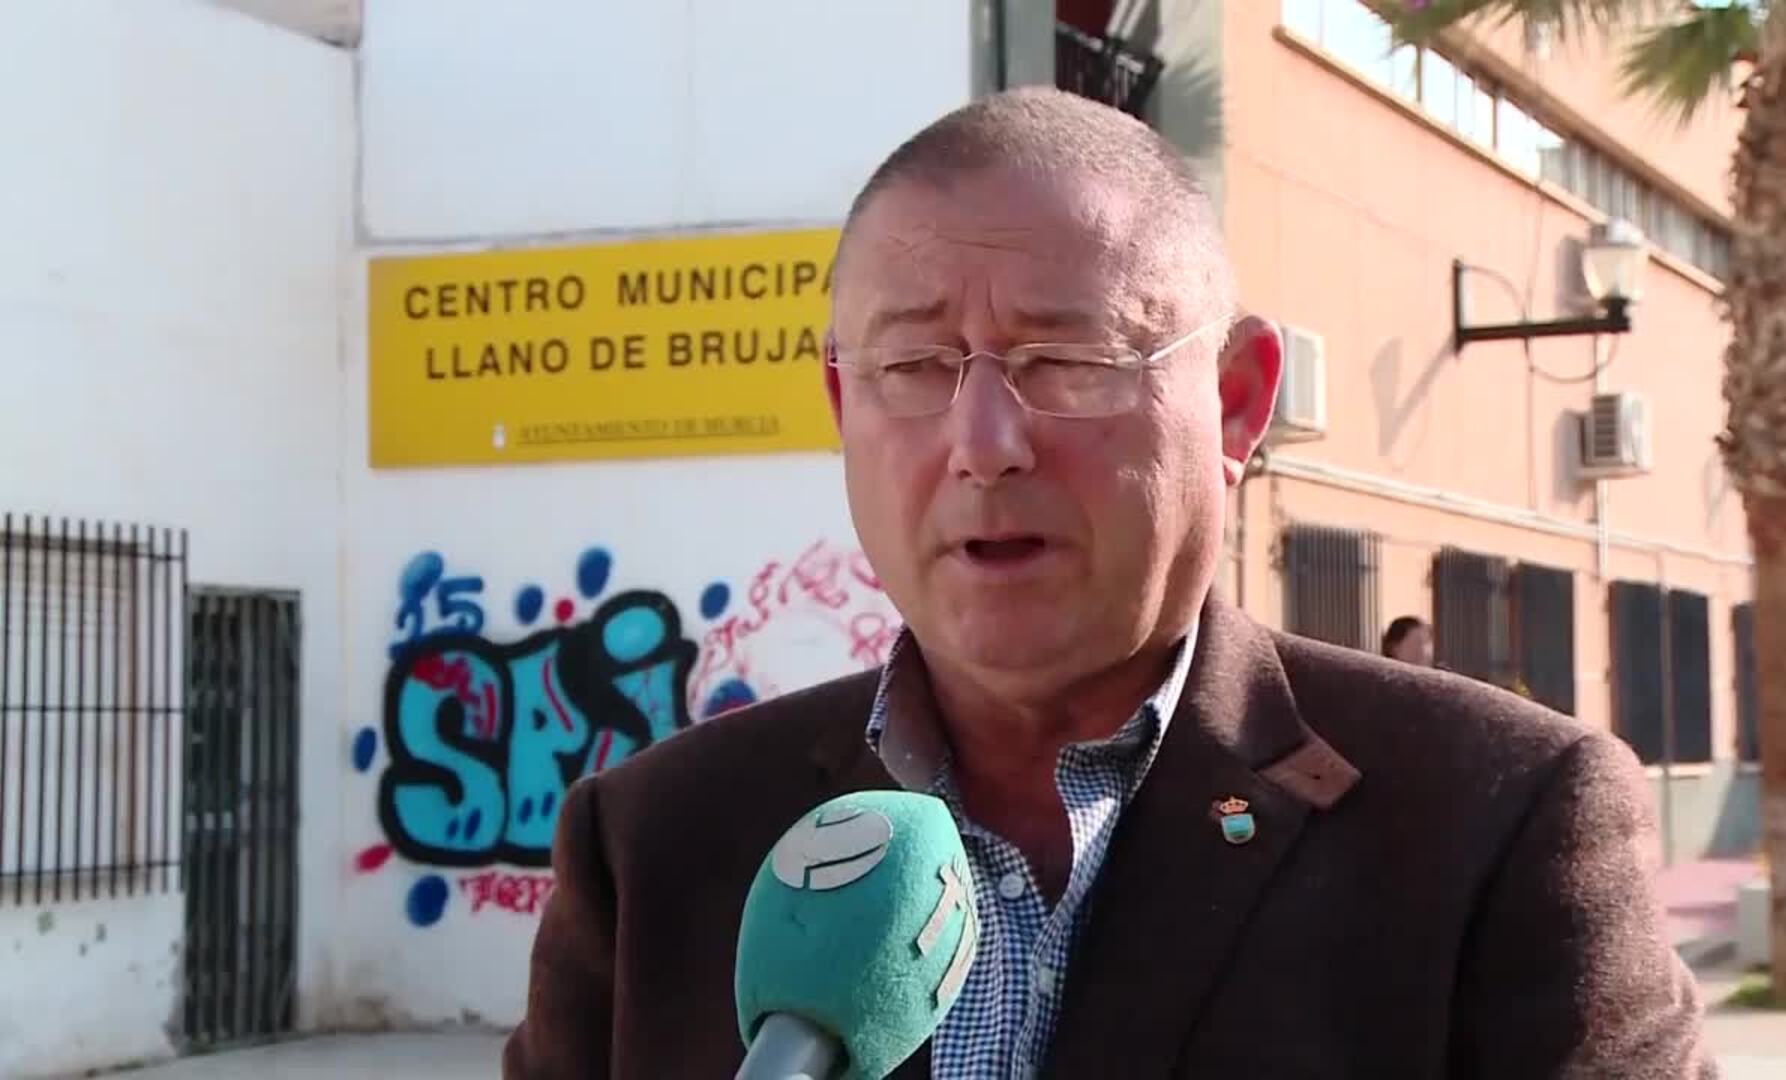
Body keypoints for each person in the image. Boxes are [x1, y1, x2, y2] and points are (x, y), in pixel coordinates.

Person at [504, 88, 1711, 1078]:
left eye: (1067, 360)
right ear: (840, 402)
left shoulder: (1497, 823)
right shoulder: (656, 844)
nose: (984, 443)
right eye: (913, 365)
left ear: (1235, 400)